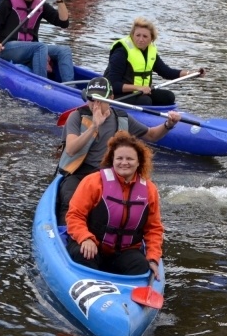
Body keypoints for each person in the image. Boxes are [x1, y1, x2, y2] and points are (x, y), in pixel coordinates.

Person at [56, 76, 181, 225]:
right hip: (78, 172)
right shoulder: (76, 116)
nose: (94, 104)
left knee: (116, 207)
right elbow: (70, 149)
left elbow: (151, 135)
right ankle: (66, 235)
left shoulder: (122, 118)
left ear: (111, 98)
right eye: (91, 99)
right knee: (70, 201)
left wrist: (168, 124)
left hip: (109, 174)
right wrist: (94, 126)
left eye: (100, 100)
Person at [65, 131, 163, 278]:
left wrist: (153, 257)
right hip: (92, 245)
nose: (124, 162)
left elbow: (154, 229)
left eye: (130, 158)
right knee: (82, 254)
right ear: (112, 160)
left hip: (125, 252)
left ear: (138, 162)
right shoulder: (93, 182)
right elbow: (74, 215)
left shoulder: (149, 190)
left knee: (141, 266)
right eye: (120, 158)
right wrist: (85, 237)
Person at [104, 17, 206, 106]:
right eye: (137, 35)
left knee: (169, 97)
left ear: (151, 38)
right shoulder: (121, 52)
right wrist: (139, 88)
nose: (141, 39)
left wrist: (191, 73)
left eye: (145, 36)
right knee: (145, 100)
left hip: (139, 92)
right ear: (132, 35)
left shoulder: (150, 51)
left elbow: (166, 72)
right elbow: (113, 84)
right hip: (117, 94)